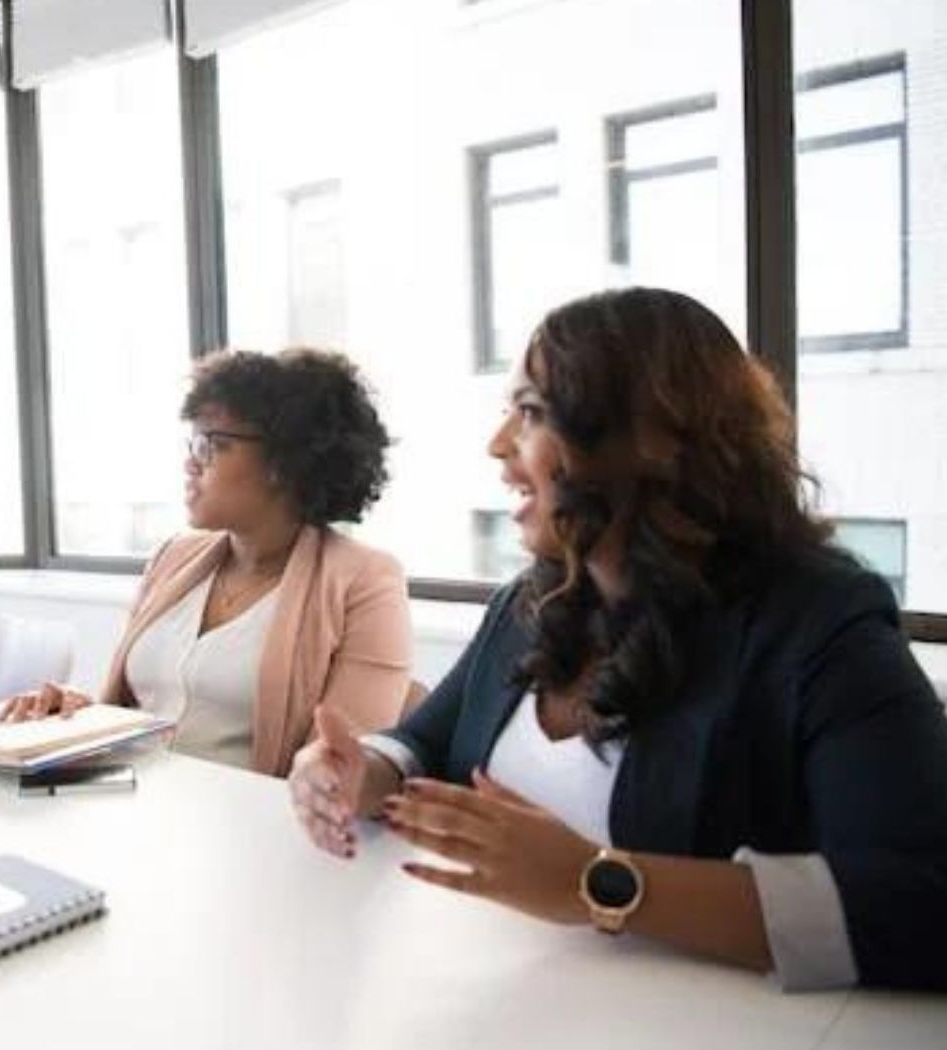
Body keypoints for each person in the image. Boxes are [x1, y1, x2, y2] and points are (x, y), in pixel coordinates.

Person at [288, 287, 947, 991]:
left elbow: (922, 903)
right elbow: (426, 743)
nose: (498, 444)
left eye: (533, 414)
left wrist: (594, 883)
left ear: (653, 441)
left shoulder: (820, 622)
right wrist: (357, 774)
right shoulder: (535, 600)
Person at [1, 348, 412, 776]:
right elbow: (137, 708)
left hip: (251, 830)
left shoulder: (366, 581)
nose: (190, 463)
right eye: (192, 441)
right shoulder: (174, 557)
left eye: (213, 444)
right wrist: (76, 712)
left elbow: (342, 771)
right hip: (127, 805)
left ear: (286, 461)